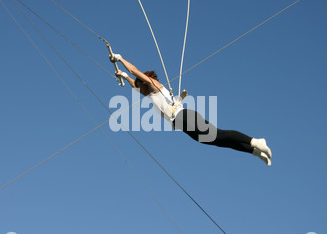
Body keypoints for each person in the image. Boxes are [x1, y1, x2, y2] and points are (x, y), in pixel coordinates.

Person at [110, 53, 273, 166]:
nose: (138, 89)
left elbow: (135, 71)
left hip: (184, 117)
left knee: (219, 134)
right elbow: (134, 82)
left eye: (140, 85)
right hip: (182, 125)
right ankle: (254, 151)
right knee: (218, 142)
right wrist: (124, 76)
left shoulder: (154, 86)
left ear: (145, 83)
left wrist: (120, 58)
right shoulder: (149, 94)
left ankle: (256, 141)